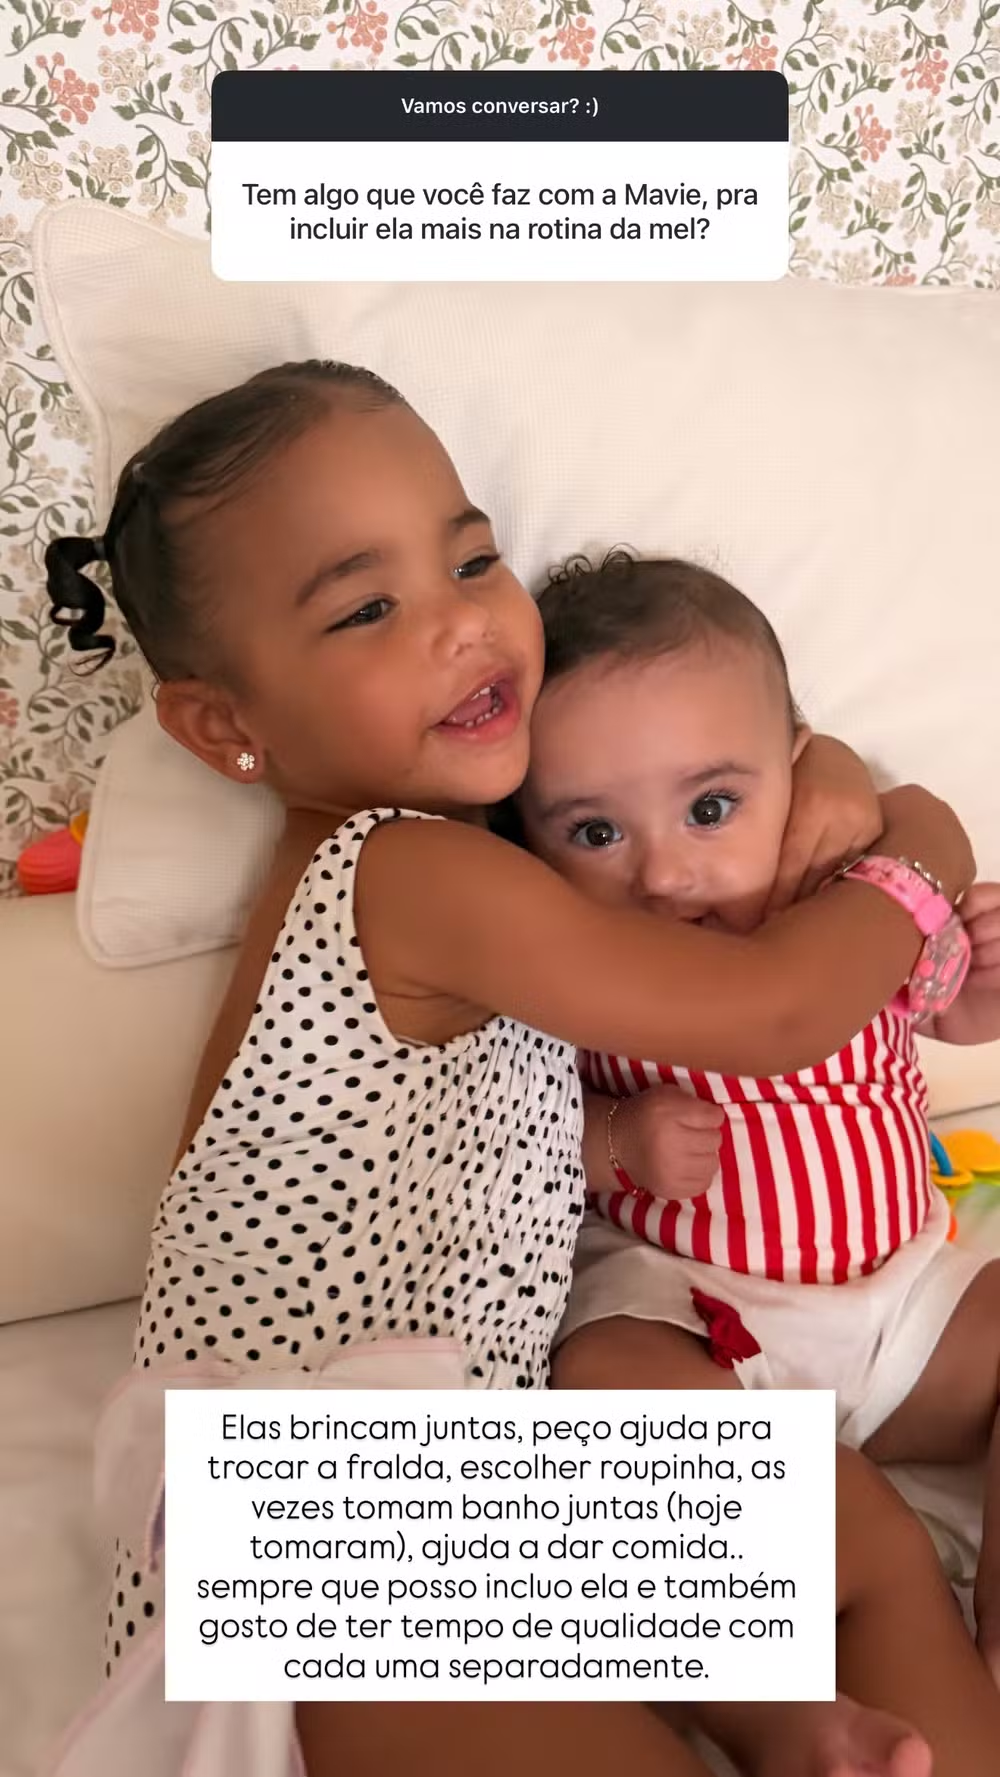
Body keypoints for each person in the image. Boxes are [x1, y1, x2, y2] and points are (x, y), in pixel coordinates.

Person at [43, 365, 985, 1777]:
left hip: (474, 1507)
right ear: (226, 725)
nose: (460, 621)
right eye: (366, 609)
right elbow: (771, 1012)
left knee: (863, 1539)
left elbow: (684, 746)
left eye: (473, 559)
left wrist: (831, 773)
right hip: (323, 1536)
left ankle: (800, 1722)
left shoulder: (488, 849)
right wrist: (921, 845)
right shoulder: (400, 874)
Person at [516, 551, 1000, 1699]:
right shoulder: (576, 964)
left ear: (795, 775)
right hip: (693, 1312)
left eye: (709, 808)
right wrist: (613, 1139)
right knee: (602, 1377)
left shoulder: (845, 905)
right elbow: (514, 1119)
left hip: (904, 1307)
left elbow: (946, 1011)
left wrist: (981, 984)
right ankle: (778, 1683)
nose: (664, 873)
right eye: (594, 833)